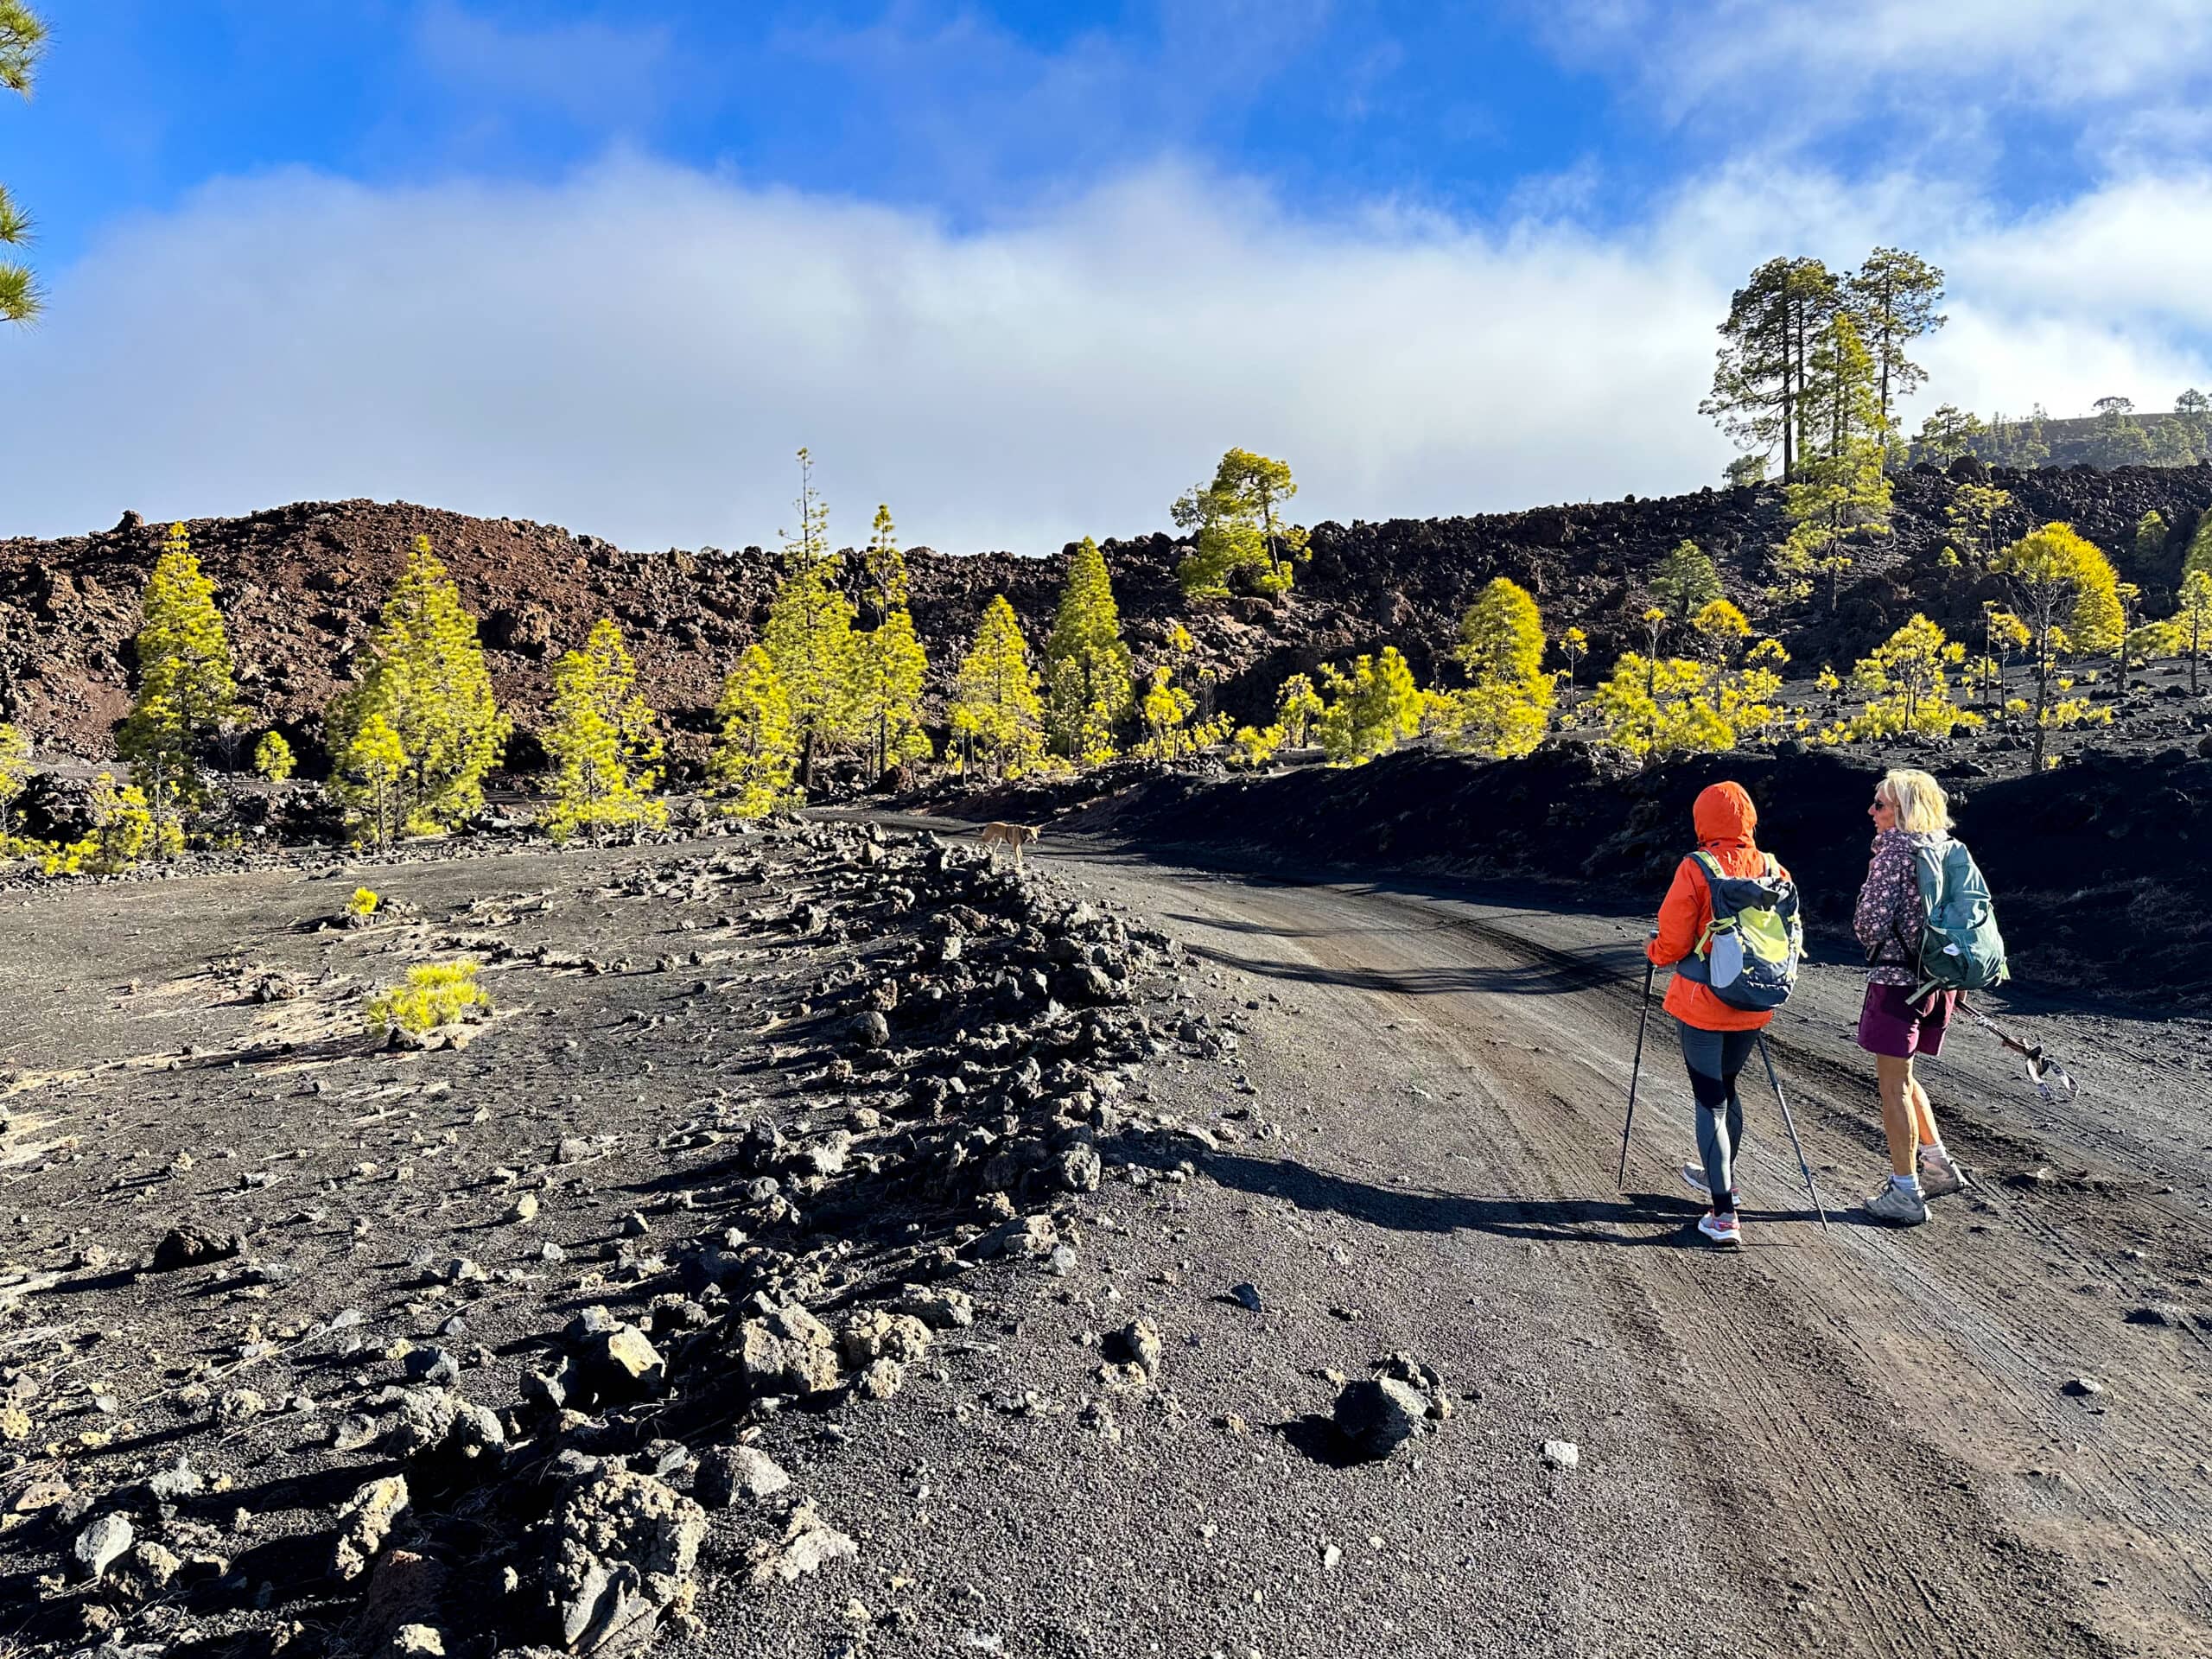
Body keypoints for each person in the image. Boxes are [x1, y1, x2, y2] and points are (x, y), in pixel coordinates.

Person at [1647, 780, 1788, 1249]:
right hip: (1753, 1000)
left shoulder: (1696, 867)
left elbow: (1672, 941)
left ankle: (1723, 1212)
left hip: (1704, 1003)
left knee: (1710, 1101)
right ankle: (1719, 1179)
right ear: (1748, 817)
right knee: (1726, 1089)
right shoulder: (1773, 867)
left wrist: (1653, 951)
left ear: (1702, 819)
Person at [1854, 767, 1970, 1226]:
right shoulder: (1944, 845)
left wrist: (1868, 932)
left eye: (1880, 804)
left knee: (1892, 1086)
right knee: (1904, 1076)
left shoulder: (1895, 850)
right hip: (1938, 981)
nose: (1872, 811)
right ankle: (1938, 1166)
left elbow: (1871, 921)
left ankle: (1905, 1192)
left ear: (1902, 811)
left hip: (1898, 981)